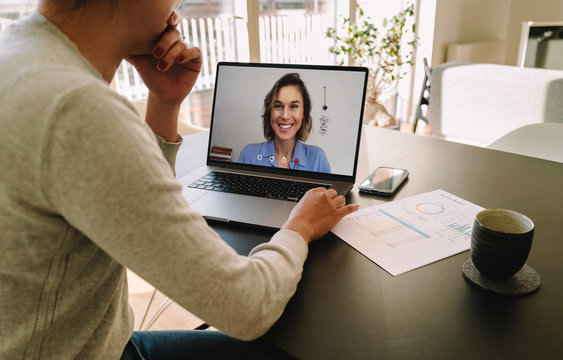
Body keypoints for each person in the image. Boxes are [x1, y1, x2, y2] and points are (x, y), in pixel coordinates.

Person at [0, 1, 358, 359]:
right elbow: (249, 307)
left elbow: (129, 202)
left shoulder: (19, 53)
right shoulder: (79, 109)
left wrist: (164, 102)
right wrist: (299, 225)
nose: (177, 4)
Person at [237, 73, 331, 173]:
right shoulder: (248, 155)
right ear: (270, 111)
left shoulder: (318, 159)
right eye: (278, 106)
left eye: (294, 106)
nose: (285, 116)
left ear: (303, 113)